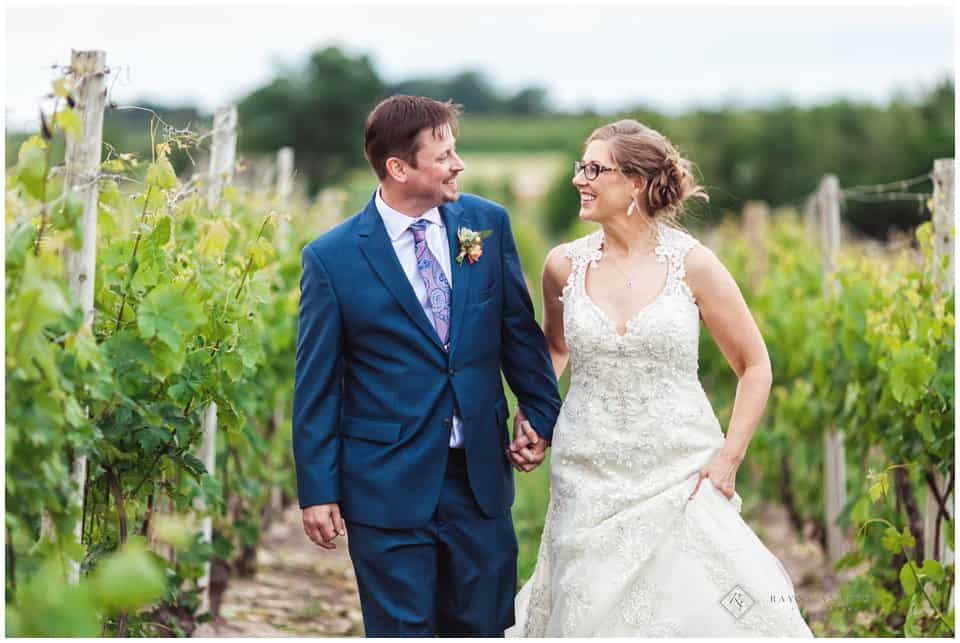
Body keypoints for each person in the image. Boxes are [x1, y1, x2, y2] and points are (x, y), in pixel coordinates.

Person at [505, 119, 814, 636]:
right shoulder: (563, 266)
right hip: (588, 472)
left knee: (704, 609)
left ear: (637, 183)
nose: (580, 179)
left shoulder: (693, 264)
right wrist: (533, 412)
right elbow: (554, 347)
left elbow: (754, 366)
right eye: (581, 167)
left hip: (681, 470)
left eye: (594, 168)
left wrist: (728, 461)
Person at [292, 95, 562, 637]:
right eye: (443, 156)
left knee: (482, 627)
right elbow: (317, 384)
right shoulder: (332, 257)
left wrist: (540, 413)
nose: (457, 164)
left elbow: (518, 332)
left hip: (479, 478)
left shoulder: (486, 225)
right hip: (384, 483)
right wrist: (318, 490)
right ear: (398, 168)